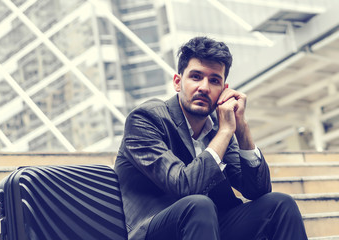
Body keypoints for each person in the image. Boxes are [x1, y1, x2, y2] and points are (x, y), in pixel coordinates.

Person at [114, 36, 307, 240]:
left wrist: (241, 128)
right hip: (154, 229)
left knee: (280, 205)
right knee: (199, 205)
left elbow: (258, 190)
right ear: (178, 83)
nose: (204, 87)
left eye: (214, 80)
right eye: (196, 77)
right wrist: (225, 132)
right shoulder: (146, 119)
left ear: (224, 90)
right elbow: (183, 186)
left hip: (209, 225)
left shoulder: (217, 125)